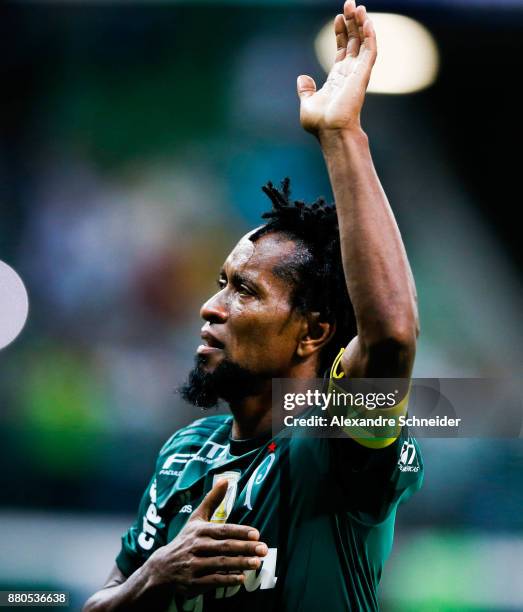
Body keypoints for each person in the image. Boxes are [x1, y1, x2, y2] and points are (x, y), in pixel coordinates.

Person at [83, 2, 423, 610]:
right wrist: (152, 577)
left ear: (312, 333)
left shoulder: (332, 439)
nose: (210, 308)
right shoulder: (184, 454)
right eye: (222, 283)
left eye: (244, 291)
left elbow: (392, 336)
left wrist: (342, 135)